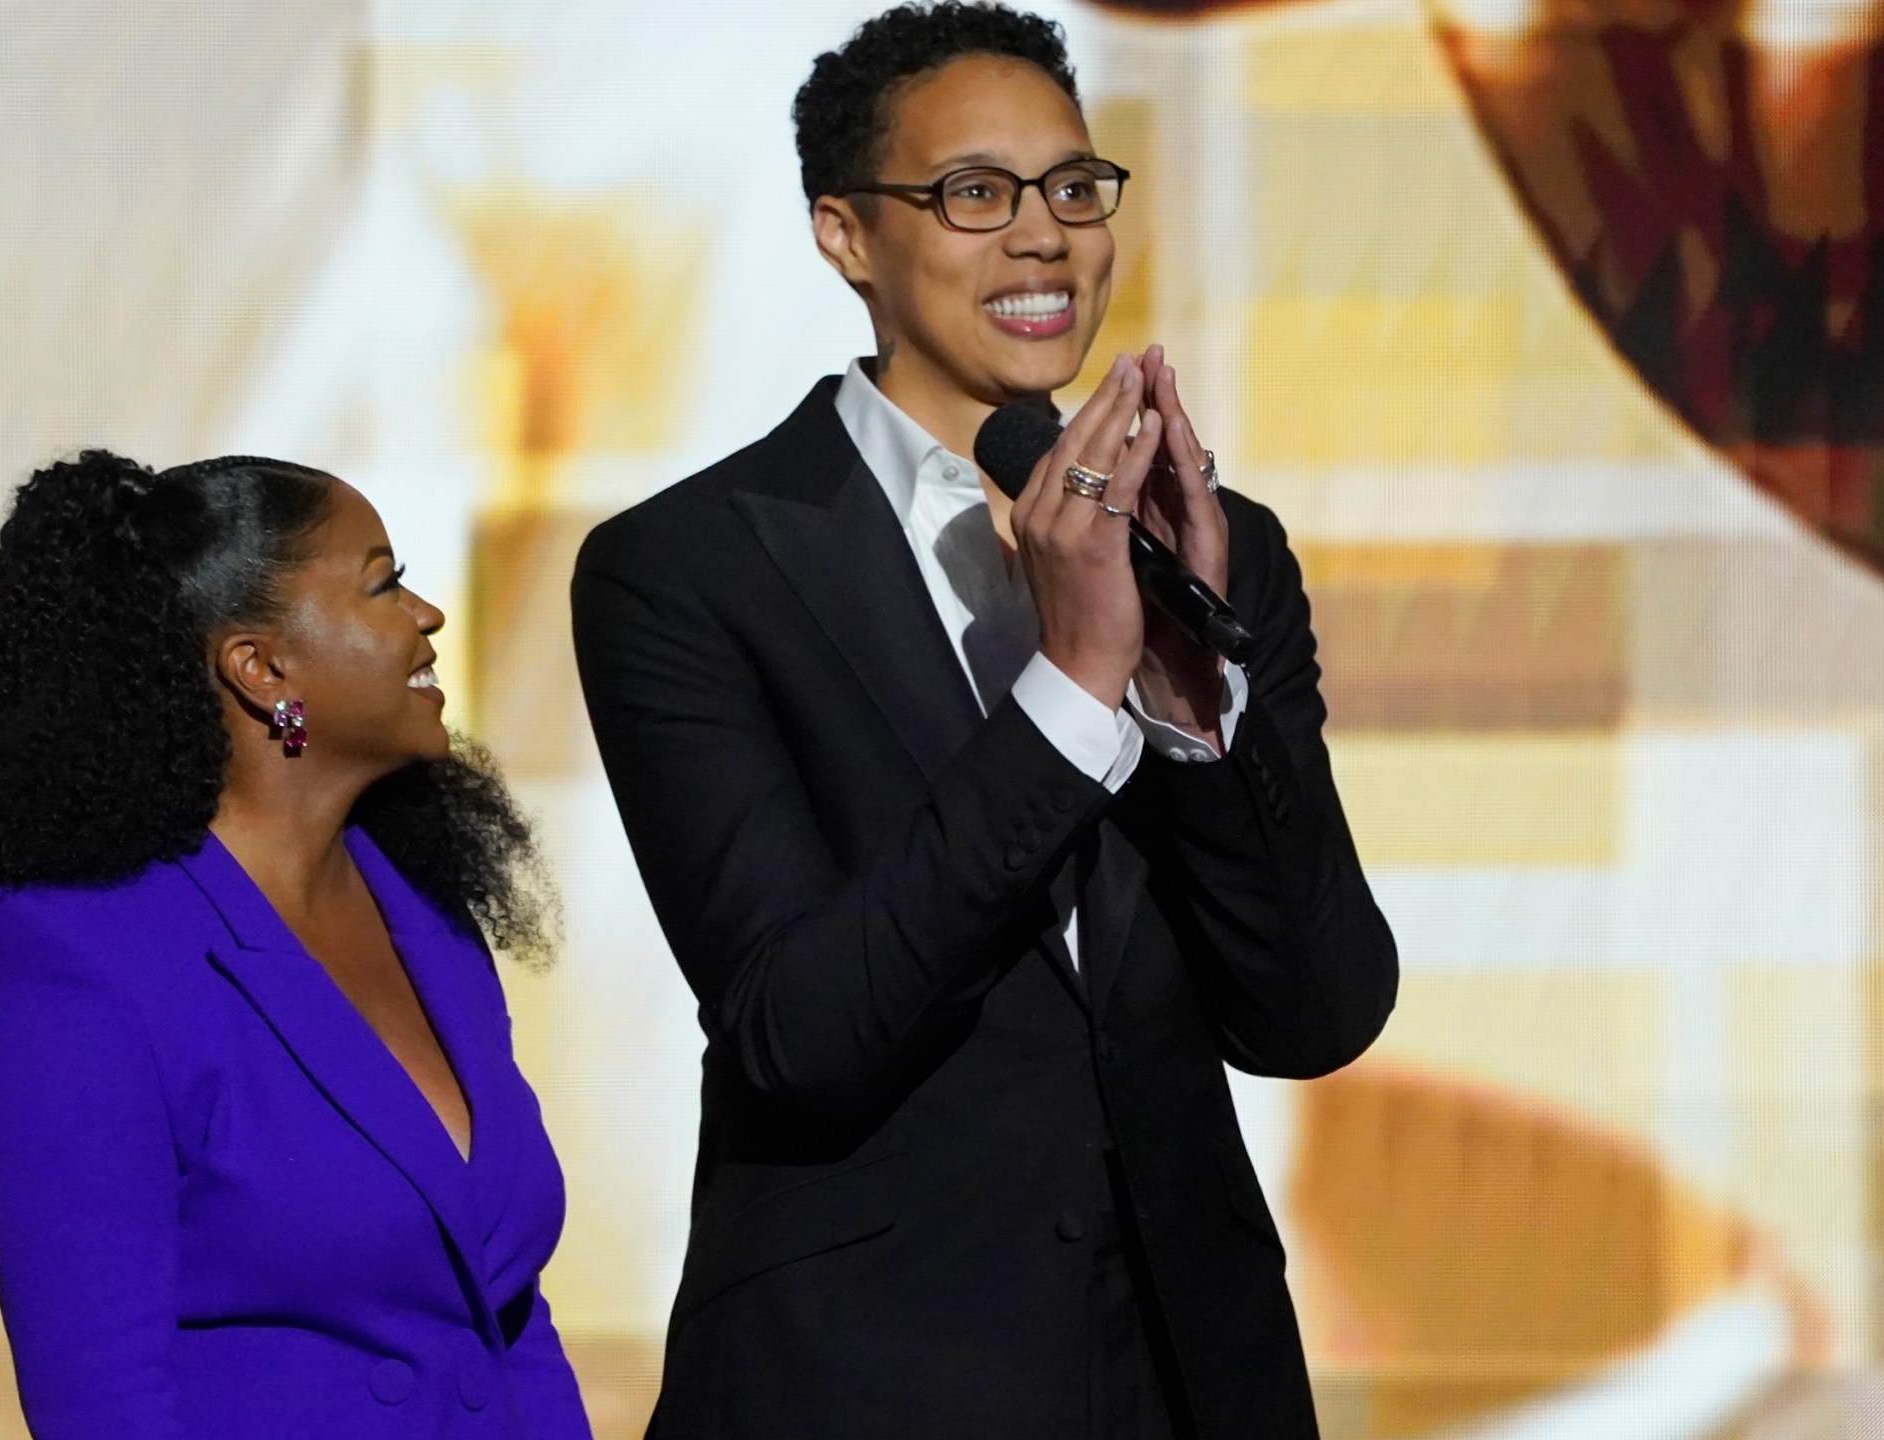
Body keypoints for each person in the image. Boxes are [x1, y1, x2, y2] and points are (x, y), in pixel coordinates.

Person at [569, 5, 1397, 1437]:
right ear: (846, 237)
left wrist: (1191, 704)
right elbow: (800, 1030)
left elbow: (1316, 1009)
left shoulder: (1214, 541)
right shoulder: (692, 565)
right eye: (975, 195)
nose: (1043, 237)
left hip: (1190, 1380)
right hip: (863, 1379)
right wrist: (1071, 693)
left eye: (1075, 189)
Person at [0, 452, 591, 1439]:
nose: (427, 615)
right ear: (259, 666)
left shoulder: (427, 919)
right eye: (381, 582)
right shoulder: (58, 953)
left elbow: (508, 1321)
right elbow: (103, 1400)